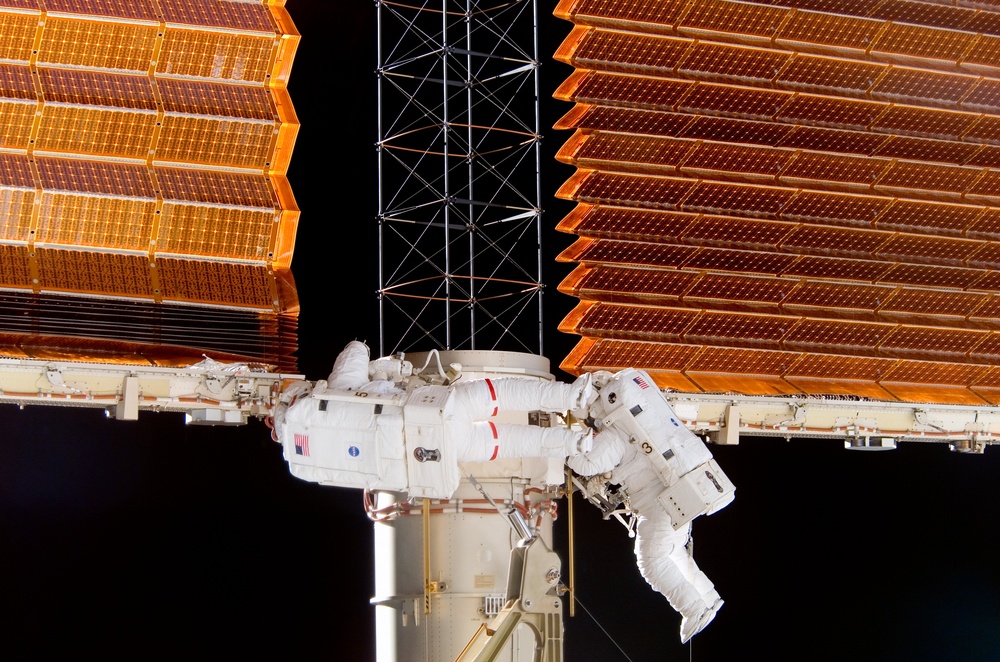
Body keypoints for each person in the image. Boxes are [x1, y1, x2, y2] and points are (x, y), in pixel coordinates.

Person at [273, 341, 593, 495]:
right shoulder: (333, 394)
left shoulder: (303, 464)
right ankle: (572, 397)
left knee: (511, 441)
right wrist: (370, 360)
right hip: (436, 413)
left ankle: (576, 441)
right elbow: (354, 351)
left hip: (437, 456)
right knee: (502, 393)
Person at [567, 369, 733, 643]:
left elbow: (586, 462)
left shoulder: (616, 430)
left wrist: (564, 443)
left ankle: (694, 609)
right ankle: (708, 597)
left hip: (660, 505)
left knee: (651, 562)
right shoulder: (638, 418)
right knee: (672, 551)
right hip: (678, 494)